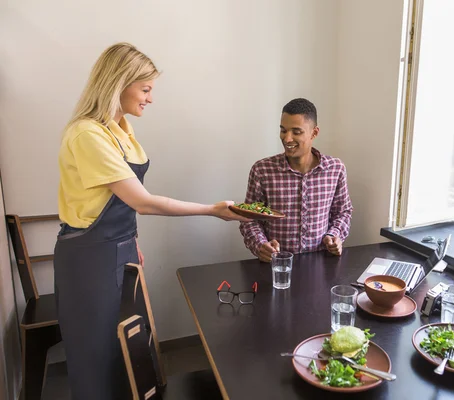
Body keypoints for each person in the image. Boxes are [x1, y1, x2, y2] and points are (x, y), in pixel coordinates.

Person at [54, 42, 249, 400]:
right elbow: (141, 202)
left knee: (125, 348)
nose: (150, 99)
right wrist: (211, 209)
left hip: (118, 248)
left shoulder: (120, 129)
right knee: (96, 354)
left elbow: (113, 201)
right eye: (145, 89)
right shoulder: (88, 134)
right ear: (119, 83)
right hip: (90, 258)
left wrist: (132, 243)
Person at [239, 98, 353, 262]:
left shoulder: (336, 169)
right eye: (283, 130)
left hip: (321, 265)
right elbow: (249, 219)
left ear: (314, 133)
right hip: (276, 267)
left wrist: (334, 235)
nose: (287, 138)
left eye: (296, 132)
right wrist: (260, 245)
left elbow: (343, 212)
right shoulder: (262, 170)